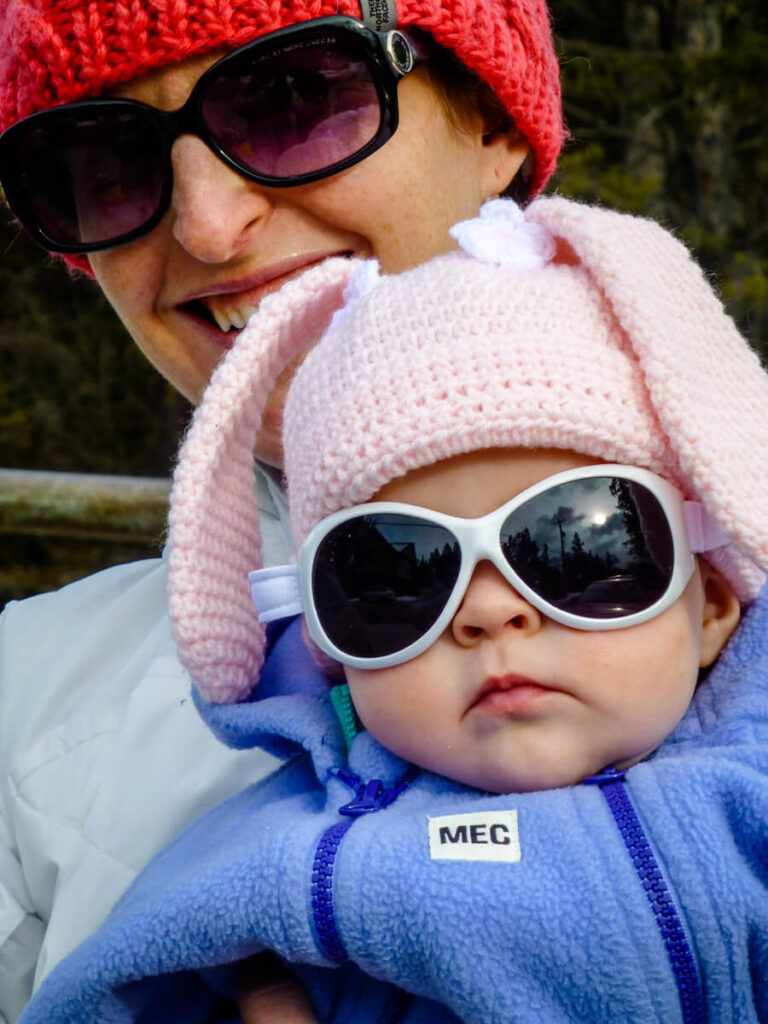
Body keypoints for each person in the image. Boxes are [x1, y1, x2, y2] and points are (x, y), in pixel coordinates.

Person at [17, 197, 768, 1022]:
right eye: (396, 577)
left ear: (712, 607)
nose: (488, 613)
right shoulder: (304, 857)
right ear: (332, 645)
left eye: (580, 545)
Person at [0, 0, 563, 1015]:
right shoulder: (24, 707)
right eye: (107, 162)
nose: (209, 224)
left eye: (297, 97)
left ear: (490, 120)